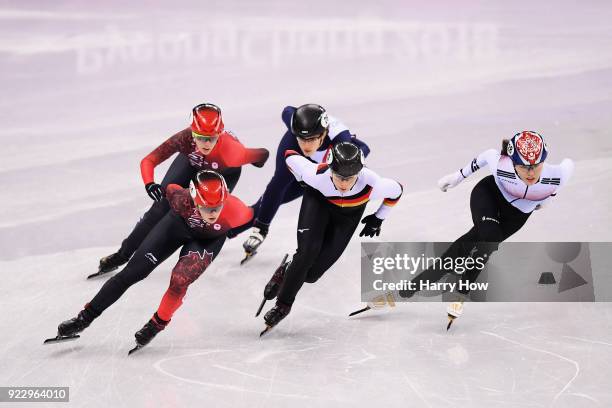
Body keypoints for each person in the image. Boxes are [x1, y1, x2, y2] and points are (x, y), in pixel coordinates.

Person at [371, 131, 574, 329]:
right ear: (512, 162)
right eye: (523, 167)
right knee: (489, 238)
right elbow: (486, 155)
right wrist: (457, 177)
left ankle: (403, 293)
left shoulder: (558, 175)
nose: (530, 173)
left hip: (517, 215)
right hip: (489, 196)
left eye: (536, 166)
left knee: (465, 250)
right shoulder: (502, 165)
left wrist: (549, 197)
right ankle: (459, 295)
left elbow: (568, 164)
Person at [47, 171, 254, 352]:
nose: (212, 213)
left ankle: (156, 324)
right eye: (205, 207)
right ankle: (84, 318)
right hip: (175, 227)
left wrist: (232, 231)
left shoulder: (236, 210)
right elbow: (169, 188)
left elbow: (256, 214)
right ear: (193, 197)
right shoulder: (180, 198)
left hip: (206, 242)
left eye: (217, 207)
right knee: (130, 274)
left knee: (180, 281)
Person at [95, 103, 269, 277]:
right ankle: (122, 255)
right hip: (191, 163)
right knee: (158, 209)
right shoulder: (184, 138)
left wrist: (255, 160)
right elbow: (149, 160)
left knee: (207, 214)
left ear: (220, 134)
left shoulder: (233, 151)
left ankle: (219, 234)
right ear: (192, 132)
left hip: (223, 172)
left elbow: (263, 154)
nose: (206, 143)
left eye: (212, 137)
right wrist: (150, 183)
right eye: (200, 137)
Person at [258, 142, 402, 335]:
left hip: (347, 217)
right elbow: (289, 155)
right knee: (306, 254)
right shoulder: (315, 175)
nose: (343, 183)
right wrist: (300, 179)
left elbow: (397, 190)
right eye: (339, 177)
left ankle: (286, 270)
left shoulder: (374, 185)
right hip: (318, 202)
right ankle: (282, 305)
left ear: (358, 174)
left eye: (349, 178)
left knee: (311, 275)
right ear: (330, 170)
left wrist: (378, 218)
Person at [241, 104, 370, 263]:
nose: (306, 145)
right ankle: (254, 228)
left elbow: (364, 148)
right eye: (302, 138)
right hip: (292, 147)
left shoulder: (340, 140)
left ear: (323, 134)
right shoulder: (296, 129)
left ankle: (231, 229)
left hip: (319, 164)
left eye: (311, 139)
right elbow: (287, 110)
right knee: (277, 186)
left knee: (302, 195)